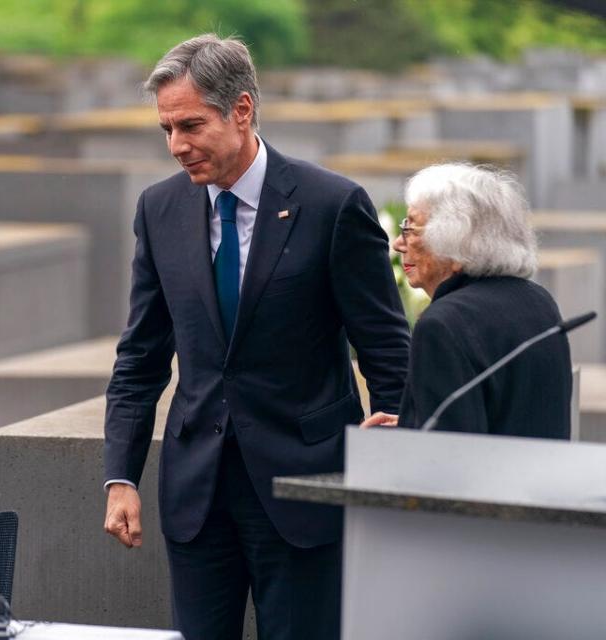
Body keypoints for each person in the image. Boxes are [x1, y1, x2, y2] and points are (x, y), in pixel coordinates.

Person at [103, 34, 410, 640]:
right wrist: (120, 477)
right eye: (165, 129)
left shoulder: (334, 205)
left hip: (306, 491)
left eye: (190, 125)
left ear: (241, 111)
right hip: (197, 496)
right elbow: (140, 357)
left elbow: (386, 348)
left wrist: (400, 445)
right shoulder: (158, 209)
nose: (176, 146)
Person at [362, 163, 572, 437]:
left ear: (454, 242)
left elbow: (448, 457)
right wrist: (413, 423)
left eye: (411, 228)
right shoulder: (539, 301)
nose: (398, 245)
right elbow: (507, 415)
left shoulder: (443, 325)